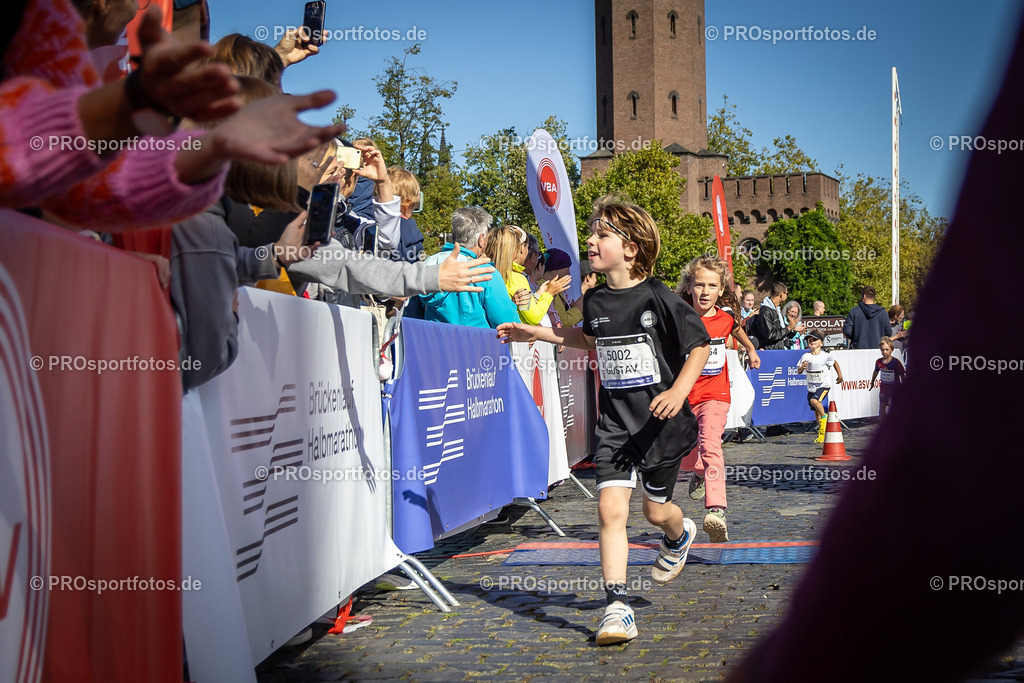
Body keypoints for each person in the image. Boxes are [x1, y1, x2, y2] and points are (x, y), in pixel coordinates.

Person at [497, 199, 711, 645]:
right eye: (591, 233)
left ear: (630, 249)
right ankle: (617, 607)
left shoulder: (659, 297)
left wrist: (677, 393)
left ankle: (679, 534)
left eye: (601, 235)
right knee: (610, 510)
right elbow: (587, 338)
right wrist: (534, 331)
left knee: (655, 512)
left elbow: (699, 347)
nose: (590, 242)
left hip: (660, 425)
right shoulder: (594, 299)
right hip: (614, 424)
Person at [675, 254, 761, 543]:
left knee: (711, 446)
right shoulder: (678, 316)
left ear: (721, 289)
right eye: (699, 285)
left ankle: (716, 510)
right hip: (683, 397)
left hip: (715, 395)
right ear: (689, 286)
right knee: (686, 457)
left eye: (712, 286)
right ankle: (699, 472)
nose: (705, 291)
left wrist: (750, 349)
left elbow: (735, 328)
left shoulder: (724, 318)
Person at [418, 207, 520, 328]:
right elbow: (507, 322)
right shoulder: (486, 273)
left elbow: (413, 310)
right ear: (481, 239)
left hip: (430, 337)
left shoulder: (429, 263)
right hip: (474, 339)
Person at [484, 226, 568, 325]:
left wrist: (538, 294)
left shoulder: (489, 273)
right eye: (528, 247)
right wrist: (549, 293)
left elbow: (521, 308)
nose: (528, 251)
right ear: (520, 249)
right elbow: (534, 317)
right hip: (517, 333)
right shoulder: (517, 278)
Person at [796, 330, 844, 443]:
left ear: (821, 343)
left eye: (814, 340)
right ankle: (822, 433)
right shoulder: (805, 356)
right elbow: (798, 371)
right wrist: (802, 367)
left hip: (823, 385)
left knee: (814, 401)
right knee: (816, 411)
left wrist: (840, 375)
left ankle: (824, 417)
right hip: (811, 387)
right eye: (809, 340)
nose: (811, 341)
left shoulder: (825, 356)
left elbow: (835, 363)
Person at [540, 248, 585, 327]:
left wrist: (572, 310)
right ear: (557, 268)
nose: (569, 272)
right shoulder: (545, 288)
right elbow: (561, 321)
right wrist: (577, 310)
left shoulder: (549, 286)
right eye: (567, 268)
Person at [869, 336, 906, 417]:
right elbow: (875, 371)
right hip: (884, 388)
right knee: (882, 409)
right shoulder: (879, 362)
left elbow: (902, 375)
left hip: (895, 388)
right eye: (882, 350)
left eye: (887, 349)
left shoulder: (896, 362)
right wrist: (872, 382)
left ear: (891, 350)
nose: (884, 352)